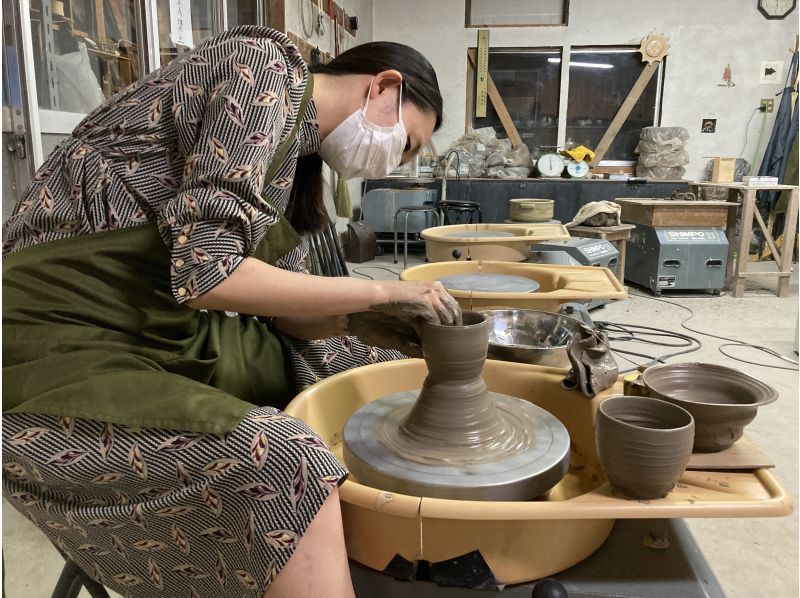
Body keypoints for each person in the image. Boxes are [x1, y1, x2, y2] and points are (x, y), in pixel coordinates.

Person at [2, 26, 458, 598]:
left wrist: (358, 324)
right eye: (408, 144)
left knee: (346, 357)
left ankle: (332, 544)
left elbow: (282, 304)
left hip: (159, 326)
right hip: (58, 342)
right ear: (384, 86)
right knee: (289, 460)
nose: (395, 162)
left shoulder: (293, 150)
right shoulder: (260, 70)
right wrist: (377, 294)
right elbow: (207, 274)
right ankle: (298, 542)